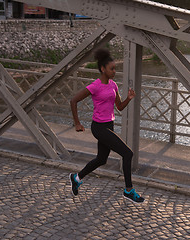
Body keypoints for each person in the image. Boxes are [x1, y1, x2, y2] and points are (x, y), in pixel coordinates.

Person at [69, 48, 144, 203]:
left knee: (101, 159)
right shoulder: (95, 86)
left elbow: (119, 107)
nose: (114, 71)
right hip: (99, 127)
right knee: (127, 153)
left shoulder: (113, 85)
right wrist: (77, 123)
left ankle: (76, 178)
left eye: (115, 68)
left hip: (109, 125)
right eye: (112, 69)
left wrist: (129, 98)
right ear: (103, 69)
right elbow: (73, 100)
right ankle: (128, 190)